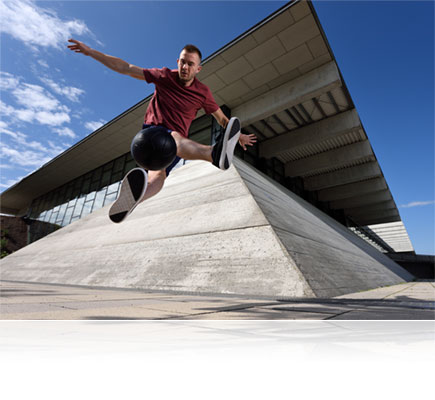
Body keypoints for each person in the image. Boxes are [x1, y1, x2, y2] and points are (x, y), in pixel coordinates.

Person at [67, 39, 257, 222]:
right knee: (174, 137)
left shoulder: (202, 93)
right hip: (151, 136)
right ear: (177, 61)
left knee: (158, 176)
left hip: (167, 149)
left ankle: (133, 201)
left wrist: (238, 135)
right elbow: (126, 68)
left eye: (190, 64)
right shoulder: (164, 76)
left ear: (198, 69)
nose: (185, 67)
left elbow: (223, 119)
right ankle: (212, 154)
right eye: (182, 62)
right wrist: (90, 51)